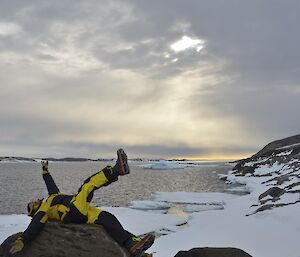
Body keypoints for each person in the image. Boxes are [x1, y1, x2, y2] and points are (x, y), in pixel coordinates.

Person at [9, 149, 154, 257]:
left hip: (83, 212)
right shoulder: (43, 209)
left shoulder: (52, 197)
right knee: (88, 185)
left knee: (108, 218)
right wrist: (23, 240)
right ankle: (116, 170)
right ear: (33, 210)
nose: (33, 200)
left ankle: (132, 244)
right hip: (72, 212)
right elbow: (36, 224)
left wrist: (45, 172)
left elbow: (51, 186)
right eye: (31, 204)